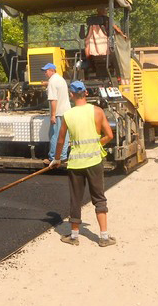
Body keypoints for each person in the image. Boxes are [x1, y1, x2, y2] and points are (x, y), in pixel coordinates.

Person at [49, 81, 116, 247]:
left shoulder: (68, 115)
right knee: (99, 198)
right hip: (94, 162)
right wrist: (96, 143)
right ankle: (104, 237)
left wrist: (57, 159)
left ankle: (74, 236)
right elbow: (109, 135)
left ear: (71, 95)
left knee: (76, 199)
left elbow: (61, 140)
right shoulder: (97, 111)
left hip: (76, 164)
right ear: (85, 93)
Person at [41, 63, 71, 166]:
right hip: (66, 111)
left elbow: (53, 100)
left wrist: (53, 115)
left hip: (58, 113)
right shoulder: (60, 79)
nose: (45, 73)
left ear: (52, 71)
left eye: (46, 71)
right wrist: (46, 84)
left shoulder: (52, 82)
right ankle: (63, 156)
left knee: (54, 134)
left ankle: (53, 157)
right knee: (64, 134)